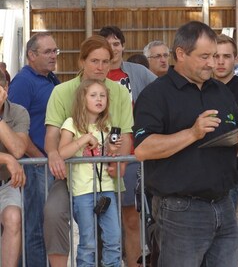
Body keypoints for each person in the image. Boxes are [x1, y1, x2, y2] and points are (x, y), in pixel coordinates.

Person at [133, 21, 238, 267]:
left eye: (214, 56)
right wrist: (192, 133)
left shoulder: (221, 92)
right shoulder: (156, 94)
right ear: (180, 54)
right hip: (181, 210)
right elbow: (143, 148)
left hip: (225, 204)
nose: (212, 63)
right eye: (204, 56)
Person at [43, 35, 133, 267]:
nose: (100, 67)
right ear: (82, 62)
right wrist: (54, 154)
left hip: (107, 177)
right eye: (94, 61)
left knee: (117, 229)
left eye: (105, 61)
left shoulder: (120, 93)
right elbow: (52, 134)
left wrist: (120, 162)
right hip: (71, 174)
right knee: (54, 212)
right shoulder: (62, 91)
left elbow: (124, 134)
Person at [98, 25, 156, 267]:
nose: (113, 48)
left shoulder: (138, 72)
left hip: (131, 154)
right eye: (108, 44)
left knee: (131, 217)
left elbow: (159, 92)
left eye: (117, 43)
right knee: (101, 218)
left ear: (123, 46)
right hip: (99, 155)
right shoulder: (92, 74)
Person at [8, 32, 61, 267]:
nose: (54, 56)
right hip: (36, 165)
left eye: (55, 51)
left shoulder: (52, 79)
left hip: (50, 163)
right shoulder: (22, 82)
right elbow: (17, 127)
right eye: (48, 51)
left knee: (48, 225)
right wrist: (39, 158)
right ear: (31, 55)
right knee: (36, 226)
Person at [58, 79, 121, 267]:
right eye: (93, 95)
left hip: (106, 188)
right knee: (88, 242)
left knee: (113, 238)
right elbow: (61, 152)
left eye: (102, 95)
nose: (99, 99)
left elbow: (107, 157)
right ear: (82, 99)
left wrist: (112, 151)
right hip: (83, 191)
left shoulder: (106, 125)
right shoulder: (71, 123)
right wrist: (84, 138)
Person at [214, 34, 238, 267]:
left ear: (235, 59)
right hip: (205, 170)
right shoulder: (202, 86)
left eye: (226, 56)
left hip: (236, 169)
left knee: (237, 226)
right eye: (216, 56)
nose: (220, 62)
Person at [0, 70, 28, 267]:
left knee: (13, 217)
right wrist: (5, 159)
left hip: (5, 183)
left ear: (6, 89)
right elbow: (12, 157)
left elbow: (18, 150)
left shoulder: (18, 112)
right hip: (7, 173)